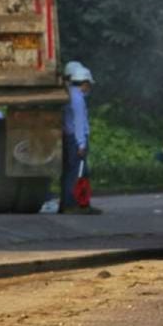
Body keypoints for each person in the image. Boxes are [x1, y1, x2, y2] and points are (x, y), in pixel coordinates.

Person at [60, 64, 100, 214]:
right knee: (78, 173)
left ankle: (73, 204)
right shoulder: (77, 99)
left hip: (69, 138)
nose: (88, 88)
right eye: (88, 84)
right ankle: (74, 204)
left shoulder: (67, 95)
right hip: (76, 140)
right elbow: (79, 122)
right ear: (84, 83)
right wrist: (81, 144)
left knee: (73, 172)